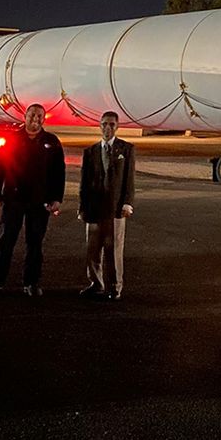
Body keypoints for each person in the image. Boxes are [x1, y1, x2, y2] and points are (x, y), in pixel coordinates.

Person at [0, 103, 65, 297]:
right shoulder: (12, 139)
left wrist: (56, 199)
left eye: (39, 116)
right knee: (5, 242)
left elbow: (58, 173)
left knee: (35, 244)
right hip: (13, 200)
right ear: (25, 117)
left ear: (44, 119)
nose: (35, 119)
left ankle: (32, 282)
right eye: (32, 115)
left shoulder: (51, 142)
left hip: (39, 202)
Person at [77, 111, 135, 301]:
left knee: (113, 249)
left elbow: (129, 180)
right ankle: (96, 283)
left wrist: (127, 203)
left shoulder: (126, 150)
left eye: (111, 124)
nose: (107, 128)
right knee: (93, 248)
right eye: (104, 124)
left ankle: (115, 287)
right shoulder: (90, 151)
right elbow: (84, 183)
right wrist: (82, 208)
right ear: (99, 126)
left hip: (115, 208)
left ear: (117, 126)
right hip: (94, 208)